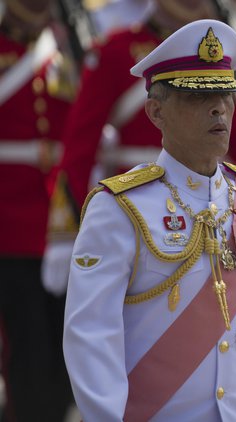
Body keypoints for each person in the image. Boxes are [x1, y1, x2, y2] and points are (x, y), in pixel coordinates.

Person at [63, 19, 236, 420]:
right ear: (156, 112)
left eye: (226, 94)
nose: (219, 107)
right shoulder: (119, 206)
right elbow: (91, 337)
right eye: (198, 97)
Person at [42, 0, 236, 297]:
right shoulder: (115, 51)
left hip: (209, 199)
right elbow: (81, 144)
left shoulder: (219, 52)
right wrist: (66, 228)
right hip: (136, 202)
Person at [0, 0, 76, 420]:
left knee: (64, 353)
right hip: (8, 223)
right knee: (26, 355)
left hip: (60, 223)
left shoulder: (64, 51)